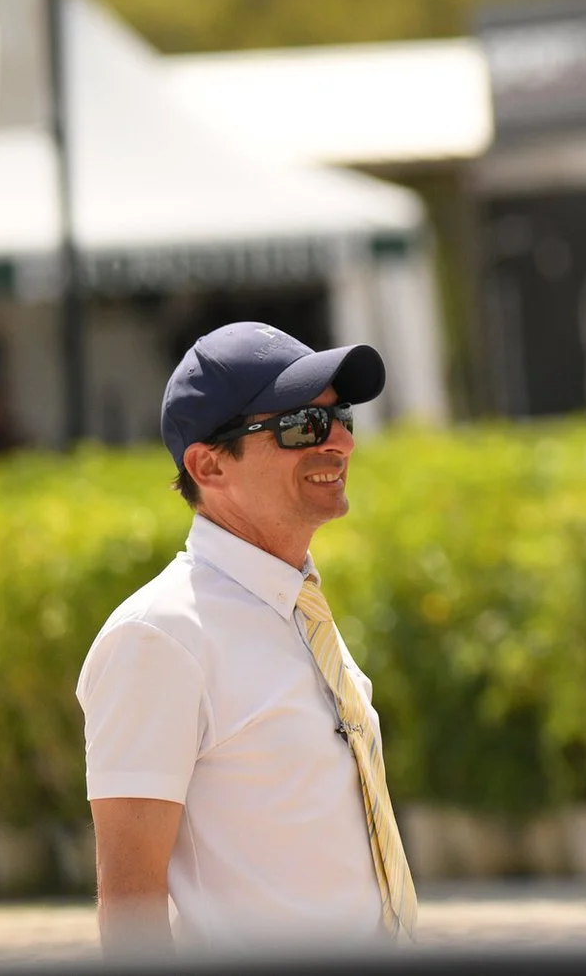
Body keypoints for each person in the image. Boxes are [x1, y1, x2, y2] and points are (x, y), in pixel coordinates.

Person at [76, 323, 416, 951]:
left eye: (338, 416)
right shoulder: (159, 637)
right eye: (301, 426)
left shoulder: (293, 605)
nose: (339, 439)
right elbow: (130, 908)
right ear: (208, 464)